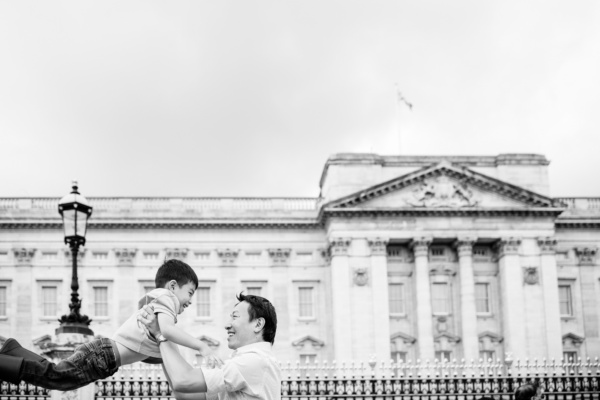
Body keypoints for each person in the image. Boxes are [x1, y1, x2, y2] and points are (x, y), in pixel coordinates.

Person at [0, 259, 218, 390]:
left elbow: (166, 363)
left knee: (55, 372)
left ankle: (12, 349)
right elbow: (169, 331)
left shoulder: (159, 311)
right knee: (57, 378)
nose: (190, 300)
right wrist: (201, 347)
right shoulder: (166, 299)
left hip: (103, 356)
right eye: (190, 292)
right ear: (172, 286)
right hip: (103, 357)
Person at [137, 292, 281, 400]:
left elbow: (183, 381)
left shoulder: (253, 361)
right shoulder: (249, 363)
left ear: (258, 324)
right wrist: (161, 338)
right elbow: (184, 394)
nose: (227, 325)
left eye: (235, 317)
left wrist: (161, 334)